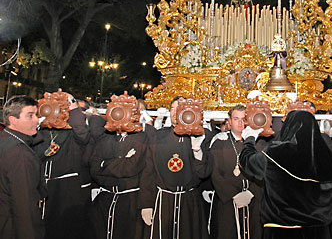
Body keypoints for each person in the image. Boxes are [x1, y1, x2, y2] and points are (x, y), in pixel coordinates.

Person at [239, 110, 332, 239]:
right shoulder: (328, 159)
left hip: (281, 231)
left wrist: (249, 139)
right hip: (318, 232)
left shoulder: (277, 153)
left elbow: (247, 162)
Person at [138, 96, 210, 239]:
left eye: (179, 108)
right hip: (163, 201)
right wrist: (146, 204)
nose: (174, 112)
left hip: (189, 202)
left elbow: (204, 173)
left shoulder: (202, 136)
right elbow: (148, 171)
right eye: (172, 108)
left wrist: (197, 150)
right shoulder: (157, 137)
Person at [33, 93, 91, 239]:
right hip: (40, 184)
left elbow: (83, 134)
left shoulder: (71, 129)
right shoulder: (41, 129)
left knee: (62, 226)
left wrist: (73, 106)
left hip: (64, 188)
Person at [89, 98, 148, 239]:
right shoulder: (105, 138)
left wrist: (106, 164)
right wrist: (121, 160)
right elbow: (95, 169)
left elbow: (131, 168)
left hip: (129, 202)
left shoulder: (140, 139)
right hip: (105, 200)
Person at [208, 105, 263, 239]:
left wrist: (252, 192)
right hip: (228, 203)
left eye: (243, 119)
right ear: (229, 121)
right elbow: (215, 174)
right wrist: (233, 194)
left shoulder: (259, 143)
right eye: (236, 119)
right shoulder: (219, 143)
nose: (240, 123)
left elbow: (264, 173)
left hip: (253, 202)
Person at [0, 95, 46, 239]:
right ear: (13, 120)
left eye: (36, 115)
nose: (36, 120)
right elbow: (25, 207)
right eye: (30, 116)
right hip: (13, 228)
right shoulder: (21, 155)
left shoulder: (5, 139)